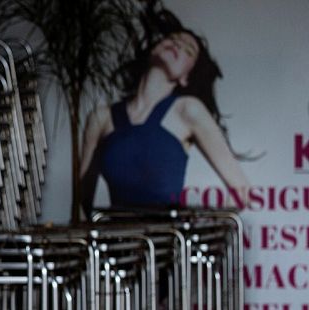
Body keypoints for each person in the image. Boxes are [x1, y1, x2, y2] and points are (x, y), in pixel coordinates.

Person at [80, 12, 251, 215]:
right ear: (154, 49)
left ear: (185, 78)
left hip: (167, 242)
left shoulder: (187, 109)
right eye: (172, 39)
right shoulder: (101, 118)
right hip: (116, 241)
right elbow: (81, 204)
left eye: (188, 51)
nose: (177, 45)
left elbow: (241, 190)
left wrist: (203, 232)